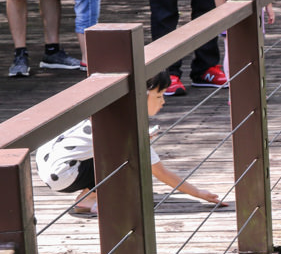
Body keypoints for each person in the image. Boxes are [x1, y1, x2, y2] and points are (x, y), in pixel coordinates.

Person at [35, 71, 226, 217]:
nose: (163, 102)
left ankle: (89, 197)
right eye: (159, 96)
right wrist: (198, 193)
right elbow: (161, 172)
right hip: (64, 172)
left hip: (49, 163)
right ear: (142, 96)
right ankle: (98, 200)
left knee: (115, 149)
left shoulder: (110, 111)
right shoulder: (128, 127)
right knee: (131, 156)